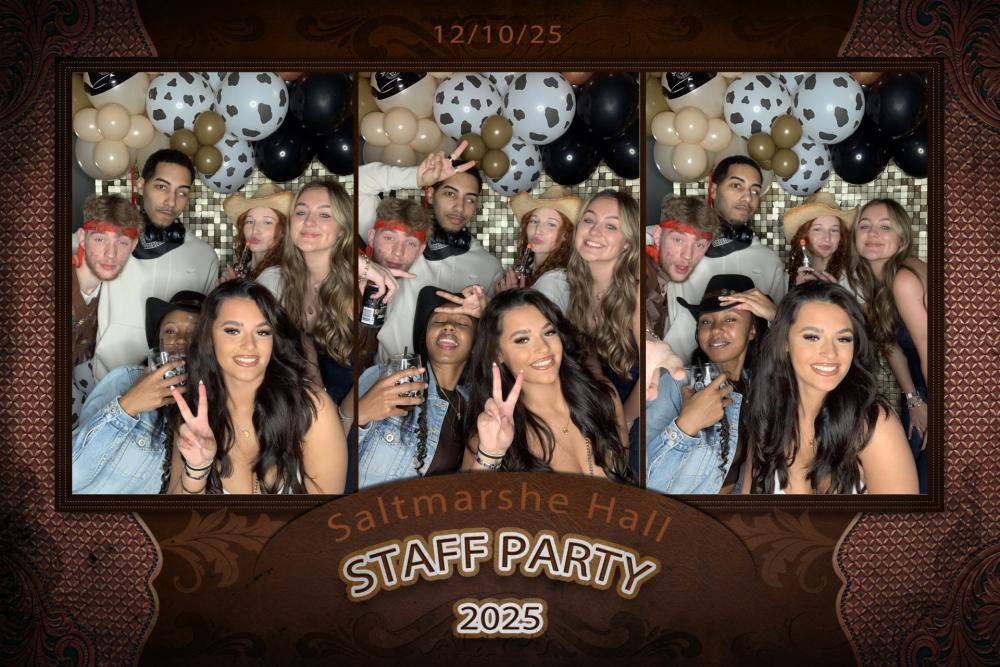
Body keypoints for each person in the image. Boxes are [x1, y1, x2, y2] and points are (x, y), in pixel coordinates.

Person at [165, 279, 347, 494]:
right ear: (209, 338)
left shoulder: (311, 409)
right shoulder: (193, 415)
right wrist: (197, 469)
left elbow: (330, 513)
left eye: (262, 332)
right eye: (233, 331)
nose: (249, 345)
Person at [741, 281, 918, 494]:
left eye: (843, 339)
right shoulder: (768, 421)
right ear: (785, 342)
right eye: (812, 337)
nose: (830, 352)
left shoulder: (874, 427)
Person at [462, 289, 634, 483]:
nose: (543, 348)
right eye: (522, 340)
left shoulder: (603, 398)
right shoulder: (489, 435)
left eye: (549, 332)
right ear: (497, 353)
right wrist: (491, 454)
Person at [359, 144, 504, 361]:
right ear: (429, 193)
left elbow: (494, 340)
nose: (459, 207)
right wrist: (417, 177)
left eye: (470, 199)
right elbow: (361, 181)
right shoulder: (395, 241)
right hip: (389, 374)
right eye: (450, 193)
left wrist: (498, 309)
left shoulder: (489, 266)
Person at [93, 149, 220, 380]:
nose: (171, 201)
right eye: (162, 187)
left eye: (182, 192)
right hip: (110, 380)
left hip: (176, 384)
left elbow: (205, 329)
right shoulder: (108, 241)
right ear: (141, 186)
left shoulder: (204, 256)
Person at [646, 275, 769, 494]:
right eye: (706, 321)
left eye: (730, 319)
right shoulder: (676, 384)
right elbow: (642, 481)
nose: (715, 329)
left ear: (752, 330)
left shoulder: (760, 385)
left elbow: (805, 359)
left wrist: (776, 315)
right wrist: (687, 425)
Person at [73, 290, 204, 494]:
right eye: (170, 331)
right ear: (158, 343)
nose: (180, 340)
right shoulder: (125, 379)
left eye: (194, 333)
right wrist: (128, 406)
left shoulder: (219, 406)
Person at [666, 155, 786, 362]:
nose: (747, 198)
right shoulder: (676, 247)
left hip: (748, 376)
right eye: (736, 186)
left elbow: (781, 334)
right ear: (713, 190)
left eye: (755, 191)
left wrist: (776, 315)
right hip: (677, 369)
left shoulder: (769, 261)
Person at [357, 286, 478, 487]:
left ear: (476, 344)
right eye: (438, 321)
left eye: (461, 323)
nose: (448, 326)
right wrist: (361, 414)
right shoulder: (386, 378)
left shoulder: (474, 406)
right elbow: (333, 451)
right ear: (426, 337)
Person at [847, 198, 929, 492]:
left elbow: (933, 353)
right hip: (920, 391)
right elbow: (890, 345)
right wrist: (913, 399)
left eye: (885, 227)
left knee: (922, 487)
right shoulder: (878, 282)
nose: (873, 234)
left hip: (946, 391)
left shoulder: (904, 280)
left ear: (902, 238)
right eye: (865, 226)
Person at [263, 180, 355, 408]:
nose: (309, 222)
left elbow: (372, 370)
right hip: (311, 410)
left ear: (343, 229)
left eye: (324, 215)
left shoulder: (359, 286)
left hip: (358, 415)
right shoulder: (283, 281)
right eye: (301, 212)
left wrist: (343, 419)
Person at [72, 194, 142, 426]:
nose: (111, 254)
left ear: (133, 245)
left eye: (122, 242)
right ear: (82, 238)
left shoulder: (115, 291)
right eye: (100, 239)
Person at [358, 197, 433, 370]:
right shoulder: (349, 261)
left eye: (410, 243)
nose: (398, 252)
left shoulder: (418, 290)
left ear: (421, 250)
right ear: (371, 237)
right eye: (389, 238)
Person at [644, 195, 719, 342]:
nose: (688, 255)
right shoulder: (641, 268)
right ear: (657, 235)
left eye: (699, 245)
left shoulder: (663, 275)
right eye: (678, 240)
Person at [495, 185, 580, 292]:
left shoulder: (553, 282)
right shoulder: (531, 268)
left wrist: (508, 297)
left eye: (551, 224)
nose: (538, 230)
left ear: (566, 235)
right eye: (534, 221)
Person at [782, 191, 856, 289]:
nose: (827, 238)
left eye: (834, 230)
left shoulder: (854, 279)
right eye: (818, 229)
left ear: (841, 237)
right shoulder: (789, 279)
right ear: (804, 235)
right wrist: (798, 292)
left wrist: (837, 293)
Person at [220, 182, 292, 283]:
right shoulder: (248, 267)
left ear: (283, 231)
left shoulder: (274, 278)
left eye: (267, 222)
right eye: (250, 221)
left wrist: (232, 289)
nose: (254, 230)